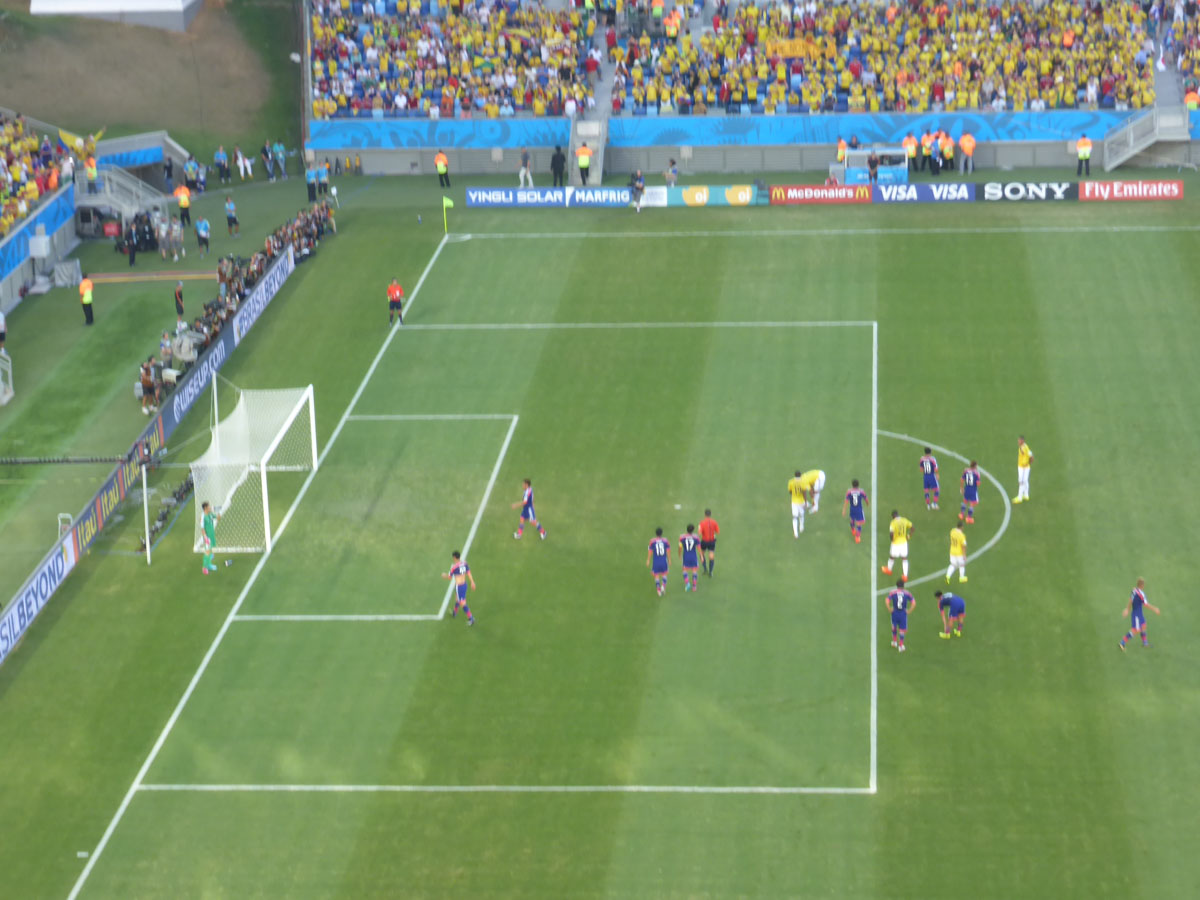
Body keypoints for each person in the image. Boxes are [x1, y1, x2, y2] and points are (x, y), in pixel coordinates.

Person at [1119, 578, 1160, 650]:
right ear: (1142, 585)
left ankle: (1145, 643)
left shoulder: (1134, 590)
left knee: (1143, 625)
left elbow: (1131, 600)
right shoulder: (1141, 594)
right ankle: (1122, 642)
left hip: (1138, 613)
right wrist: (1155, 609)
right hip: (1137, 615)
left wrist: (1127, 609)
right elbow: (1146, 604)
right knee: (1135, 630)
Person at [442, 551, 476, 625]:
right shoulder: (465, 563)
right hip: (464, 585)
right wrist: (472, 582)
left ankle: (471, 618)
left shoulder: (454, 567)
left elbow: (449, 577)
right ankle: (454, 613)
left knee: (462, 603)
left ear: (454, 557)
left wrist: (444, 575)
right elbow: (468, 573)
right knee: (457, 599)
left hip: (459, 587)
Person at [881, 509, 913, 581]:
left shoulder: (893, 522)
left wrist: (892, 540)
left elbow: (891, 533)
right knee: (904, 558)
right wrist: (909, 536)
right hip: (904, 543)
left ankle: (889, 570)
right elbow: (912, 528)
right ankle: (905, 576)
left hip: (895, 543)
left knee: (892, 557)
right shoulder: (904, 520)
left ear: (893, 516)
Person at [885, 579, 915, 652]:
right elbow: (913, 603)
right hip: (903, 613)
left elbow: (887, 600)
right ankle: (901, 646)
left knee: (894, 626)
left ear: (897, 586)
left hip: (895, 612)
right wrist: (909, 611)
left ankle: (894, 642)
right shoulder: (907, 593)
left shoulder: (893, 592)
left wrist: (889, 609)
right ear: (903, 586)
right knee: (902, 630)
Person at [842, 478, 869, 544]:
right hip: (859, 509)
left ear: (852, 485)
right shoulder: (861, 492)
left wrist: (844, 510)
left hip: (852, 509)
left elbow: (846, 501)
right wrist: (867, 504)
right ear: (858, 485)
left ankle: (853, 530)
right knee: (859, 523)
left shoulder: (849, 492)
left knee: (852, 519)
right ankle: (857, 537)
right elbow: (866, 499)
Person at [647, 526, 671, 595]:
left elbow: (650, 551)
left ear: (656, 533)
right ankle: (663, 586)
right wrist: (669, 560)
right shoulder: (666, 541)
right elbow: (668, 551)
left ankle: (658, 590)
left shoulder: (652, 541)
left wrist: (648, 560)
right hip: (664, 561)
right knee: (664, 574)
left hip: (656, 561)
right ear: (661, 533)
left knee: (656, 576)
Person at [679, 524, 701, 592]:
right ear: (693, 530)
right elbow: (699, 548)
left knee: (685, 570)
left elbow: (680, 547)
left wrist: (679, 555)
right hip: (693, 556)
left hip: (686, 556)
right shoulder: (696, 537)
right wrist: (701, 556)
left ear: (687, 529)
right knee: (694, 571)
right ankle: (694, 586)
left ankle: (687, 583)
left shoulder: (682, 537)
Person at [200, 501, 220, 574]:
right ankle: (204, 568)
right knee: (207, 552)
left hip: (211, 535)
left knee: (210, 551)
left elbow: (218, 518)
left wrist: (219, 512)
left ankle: (209, 565)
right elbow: (202, 529)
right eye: (209, 506)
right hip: (207, 537)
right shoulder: (203, 517)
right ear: (205, 508)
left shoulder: (210, 514)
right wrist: (206, 538)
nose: (210, 507)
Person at [787, 470, 808, 537]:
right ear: (800, 475)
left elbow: (790, 491)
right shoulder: (803, 482)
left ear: (795, 475)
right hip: (801, 501)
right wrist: (805, 502)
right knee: (801, 514)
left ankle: (795, 533)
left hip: (794, 502)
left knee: (795, 517)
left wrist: (794, 495)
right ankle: (801, 527)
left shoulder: (791, 482)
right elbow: (804, 493)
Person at [698, 509, 719, 576]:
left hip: (704, 541)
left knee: (701, 554)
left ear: (705, 514)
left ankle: (705, 569)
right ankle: (710, 572)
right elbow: (717, 531)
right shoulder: (714, 522)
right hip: (712, 541)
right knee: (711, 556)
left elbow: (699, 532)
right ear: (710, 514)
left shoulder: (702, 523)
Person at [1014, 436, 1034, 504]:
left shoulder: (1023, 448)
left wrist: (1028, 462)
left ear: (1022, 441)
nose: (1018, 442)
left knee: (1021, 482)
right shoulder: (1025, 446)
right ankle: (1026, 495)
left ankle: (1019, 498)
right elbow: (1031, 455)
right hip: (1026, 467)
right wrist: (1029, 463)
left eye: (1019, 441)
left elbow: (1031, 457)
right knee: (1025, 481)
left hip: (1022, 468)